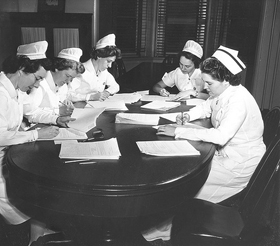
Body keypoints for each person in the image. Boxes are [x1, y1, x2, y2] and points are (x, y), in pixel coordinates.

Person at [144, 45, 266, 242]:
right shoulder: (223, 92)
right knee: (186, 174)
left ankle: (167, 228)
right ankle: (168, 225)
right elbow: (205, 108)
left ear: (225, 79)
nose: (205, 87)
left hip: (238, 164)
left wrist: (179, 131)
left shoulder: (238, 101)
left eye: (208, 83)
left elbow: (221, 136)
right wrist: (186, 115)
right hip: (226, 155)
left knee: (187, 185)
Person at [0, 41, 60, 245]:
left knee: (33, 188)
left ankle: (34, 234)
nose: (37, 84)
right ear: (22, 68)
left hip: (0, 158)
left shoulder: (15, 91)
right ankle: (31, 235)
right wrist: (36, 135)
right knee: (26, 194)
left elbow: (31, 113)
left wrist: (56, 120)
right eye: (37, 78)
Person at [23, 48, 85, 127]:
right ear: (57, 68)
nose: (68, 81)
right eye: (67, 76)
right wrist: (58, 111)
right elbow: (29, 113)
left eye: (72, 78)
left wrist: (66, 103)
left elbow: (59, 100)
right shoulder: (40, 83)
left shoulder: (63, 85)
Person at [68, 33, 121, 102]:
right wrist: (90, 97)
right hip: (80, 109)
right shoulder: (80, 70)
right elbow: (68, 95)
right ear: (99, 56)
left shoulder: (103, 71)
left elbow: (115, 86)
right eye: (108, 61)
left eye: (111, 62)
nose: (110, 65)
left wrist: (107, 92)